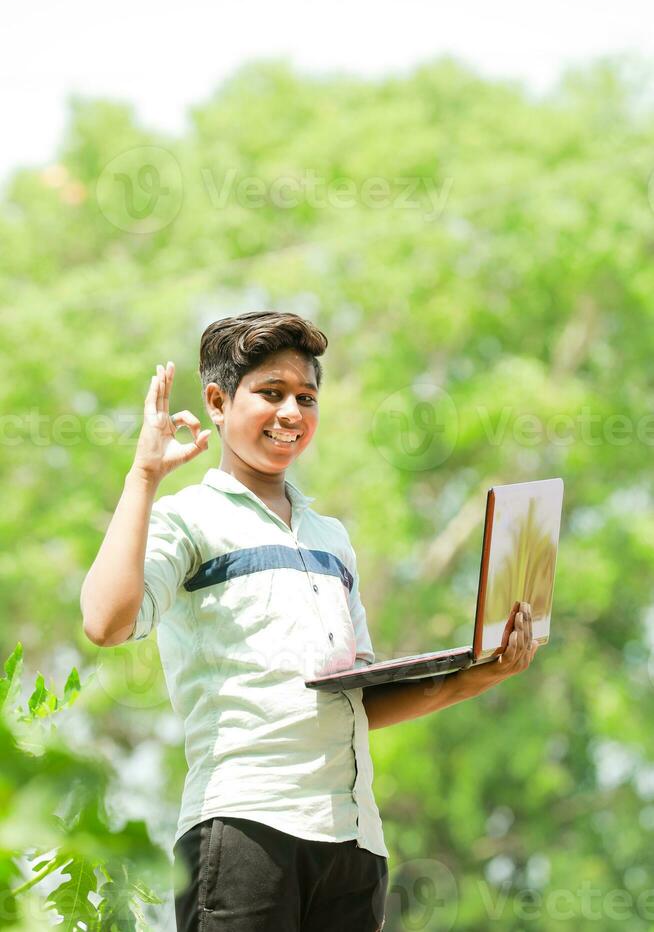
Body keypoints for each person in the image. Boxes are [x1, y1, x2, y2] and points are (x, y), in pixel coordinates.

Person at [80, 310, 538, 932]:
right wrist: (144, 476)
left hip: (353, 844)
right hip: (246, 829)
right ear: (217, 401)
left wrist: (478, 675)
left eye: (306, 397)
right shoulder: (187, 519)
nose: (292, 413)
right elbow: (105, 622)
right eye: (271, 394)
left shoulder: (332, 539)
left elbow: (359, 702)